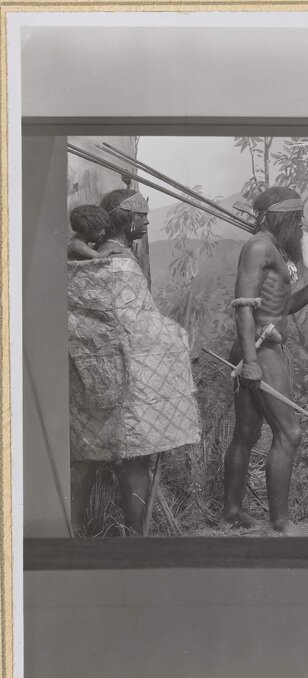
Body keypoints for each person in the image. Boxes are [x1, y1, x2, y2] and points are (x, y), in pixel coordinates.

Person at [69, 188, 200, 535]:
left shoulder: (94, 257)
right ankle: (134, 536)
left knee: (84, 453)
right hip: (125, 377)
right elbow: (135, 322)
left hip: (91, 374)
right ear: (125, 219)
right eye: (141, 214)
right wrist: (176, 337)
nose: (146, 220)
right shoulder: (121, 263)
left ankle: (74, 530)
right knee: (134, 457)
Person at [221, 186, 308, 536]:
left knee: (247, 433)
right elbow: (244, 306)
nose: (300, 225)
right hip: (260, 350)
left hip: (260, 347)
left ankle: (231, 512)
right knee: (289, 433)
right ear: (279, 218)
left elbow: (281, 307)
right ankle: (280, 524)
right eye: (296, 219)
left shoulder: (276, 250)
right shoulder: (259, 246)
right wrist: (251, 362)